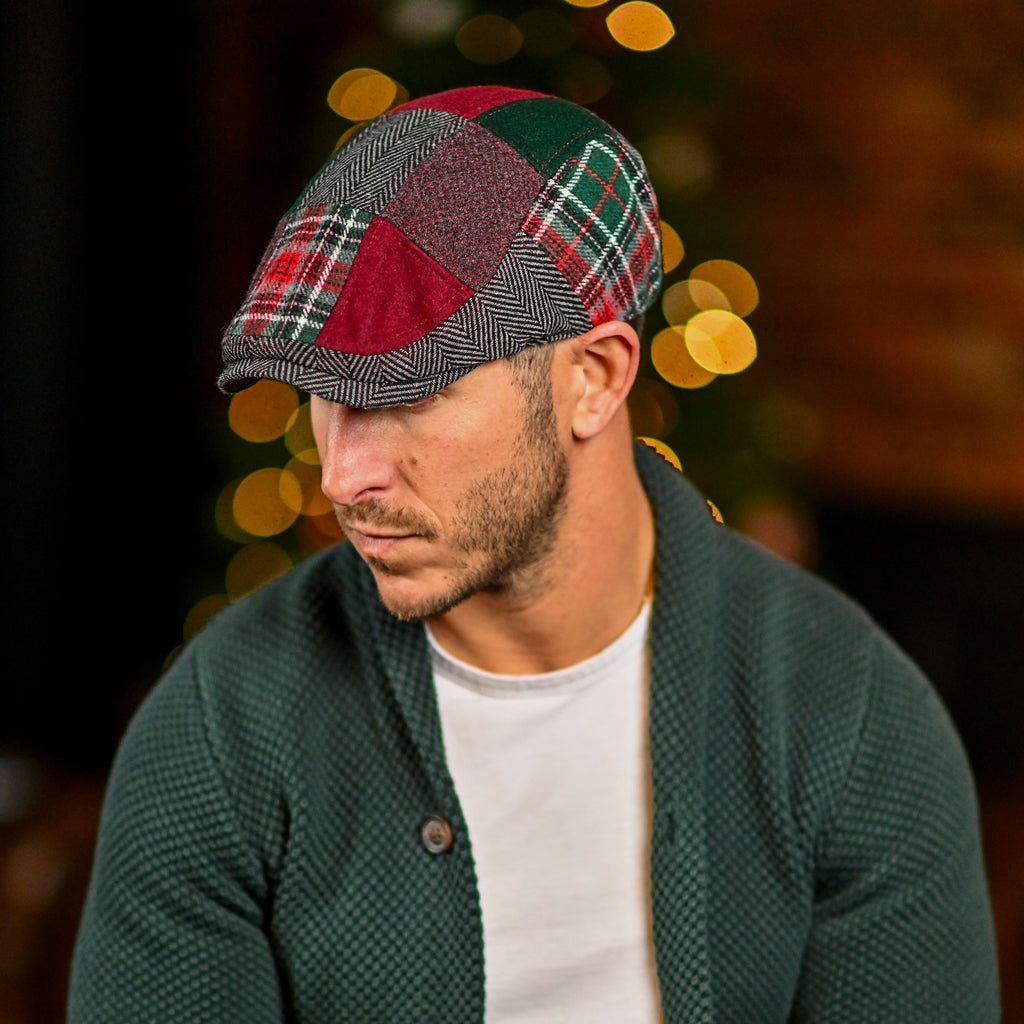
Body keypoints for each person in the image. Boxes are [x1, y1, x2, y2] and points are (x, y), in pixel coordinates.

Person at [67, 85, 999, 1022]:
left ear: (594, 378)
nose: (342, 479)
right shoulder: (221, 730)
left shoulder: (850, 721)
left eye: (406, 396)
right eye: (326, 395)